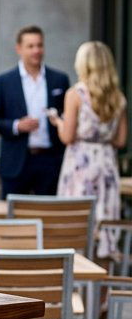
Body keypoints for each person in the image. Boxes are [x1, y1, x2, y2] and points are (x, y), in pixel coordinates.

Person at [52, 41, 127, 259]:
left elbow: (68, 137)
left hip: (80, 165)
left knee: (77, 224)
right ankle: (102, 275)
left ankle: (78, 276)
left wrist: (58, 122)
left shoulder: (75, 94)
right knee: (104, 225)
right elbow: (120, 140)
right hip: (106, 164)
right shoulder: (118, 97)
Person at [0, 25, 70, 197]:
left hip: (51, 161)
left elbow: (68, 116)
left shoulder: (59, 79)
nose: (36, 51)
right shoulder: (4, 81)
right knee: (13, 213)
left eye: (39, 45)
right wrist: (17, 126)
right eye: (30, 46)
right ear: (19, 49)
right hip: (15, 161)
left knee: (50, 211)